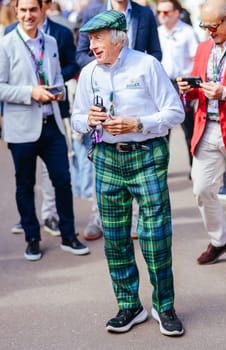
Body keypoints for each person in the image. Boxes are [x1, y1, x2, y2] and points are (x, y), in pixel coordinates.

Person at [72, 9, 185, 335]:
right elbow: (78, 117)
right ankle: (129, 306)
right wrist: (88, 121)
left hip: (146, 155)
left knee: (156, 238)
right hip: (107, 158)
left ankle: (165, 308)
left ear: (118, 37)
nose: (92, 45)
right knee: (116, 240)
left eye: (97, 38)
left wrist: (139, 124)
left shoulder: (147, 65)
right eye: (89, 38)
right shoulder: (90, 72)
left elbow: (174, 111)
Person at [0, 0, 89, 261]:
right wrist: (31, 93)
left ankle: (68, 235)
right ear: (16, 12)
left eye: (33, 10)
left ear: (42, 11)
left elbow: (57, 77)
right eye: (23, 10)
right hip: (22, 128)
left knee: (63, 181)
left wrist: (58, 90)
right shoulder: (5, 44)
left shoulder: (50, 41)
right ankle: (32, 238)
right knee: (25, 185)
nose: (28, 15)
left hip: (53, 125)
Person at [75, 0, 162, 240]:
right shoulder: (92, 11)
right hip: (102, 107)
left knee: (145, 204)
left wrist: (136, 70)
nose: (93, 43)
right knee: (100, 172)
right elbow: (81, 53)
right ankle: (98, 216)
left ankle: (135, 221)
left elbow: (155, 50)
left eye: (98, 38)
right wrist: (102, 68)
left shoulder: (144, 13)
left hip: (138, 103)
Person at [177, 0, 226, 280]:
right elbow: (197, 90)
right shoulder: (203, 48)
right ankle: (221, 239)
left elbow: (224, 91)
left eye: (212, 26)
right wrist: (188, 89)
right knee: (201, 188)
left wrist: (225, 93)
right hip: (206, 127)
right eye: (204, 26)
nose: (208, 31)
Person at [157, 0, 199, 176]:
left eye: (166, 12)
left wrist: (190, 85)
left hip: (182, 84)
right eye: (159, 12)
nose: (162, 16)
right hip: (163, 84)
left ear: (176, 13)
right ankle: (160, 170)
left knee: (188, 129)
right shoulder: (157, 32)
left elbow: (196, 59)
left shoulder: (187, 32)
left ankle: (195, 170)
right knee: (161, 131)